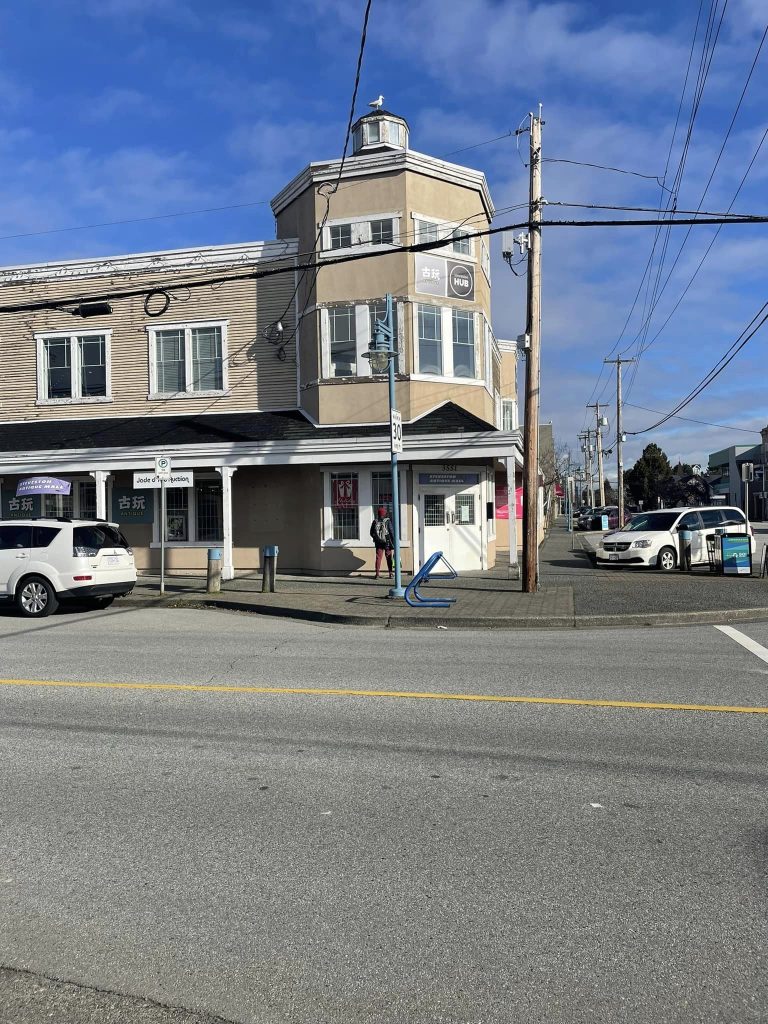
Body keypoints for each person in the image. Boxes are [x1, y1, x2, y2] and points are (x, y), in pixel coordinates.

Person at [370, 505, 395, 578]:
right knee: (388, 557)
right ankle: (390, 573)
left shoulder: (375, 521)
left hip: (378, 543)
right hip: (387, 541)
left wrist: (376, 538)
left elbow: (371, 533)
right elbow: (391, 532)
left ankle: (377, 574)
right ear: (384, 513)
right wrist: (393, 542)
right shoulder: (387, 521)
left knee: (378, 558)